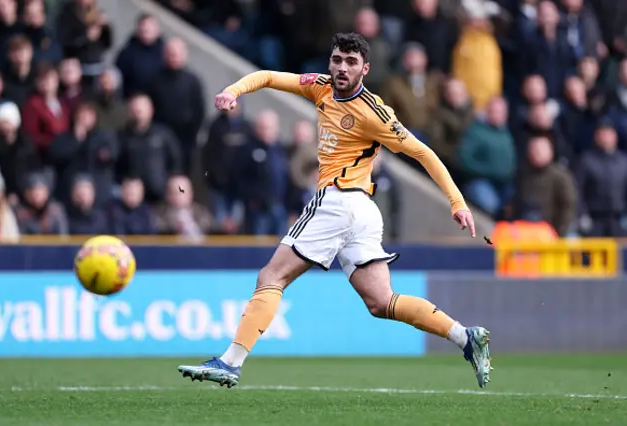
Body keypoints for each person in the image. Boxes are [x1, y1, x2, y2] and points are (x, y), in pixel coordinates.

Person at [178, 33, 491, 389]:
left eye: (351, 62)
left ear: (365, 69)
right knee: (381, 302)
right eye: (338, 60)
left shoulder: (374, 113)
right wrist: (233, 91)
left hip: (337, 201)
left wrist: (456, 201)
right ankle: (465, 338)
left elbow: (423, 153)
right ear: (330, 62)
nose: (342, 68)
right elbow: (266, 76)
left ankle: (231, 362)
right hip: (362, 211)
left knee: (271, 277)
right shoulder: (320, 87)